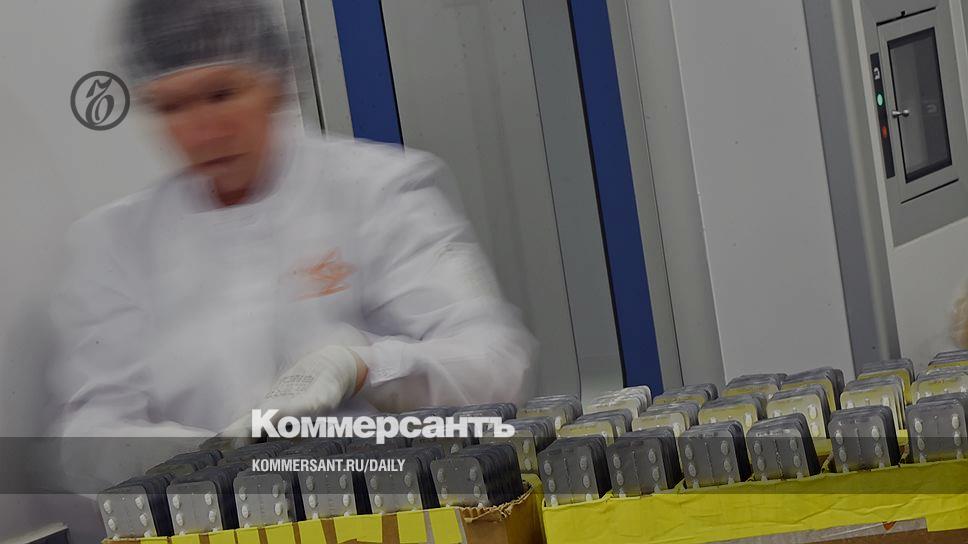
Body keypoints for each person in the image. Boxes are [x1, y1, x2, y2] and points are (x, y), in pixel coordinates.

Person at [48, 0, 536, 450]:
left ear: (277, 83)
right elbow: (91, 432)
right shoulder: (115, 244)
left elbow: (496, 364)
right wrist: (206, 458)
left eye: (222, 94)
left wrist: (363, 366)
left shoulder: (377, 191)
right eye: (171, 106)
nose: (202, 130)